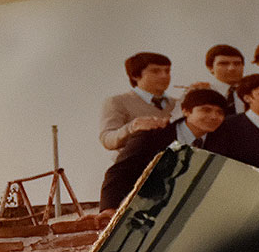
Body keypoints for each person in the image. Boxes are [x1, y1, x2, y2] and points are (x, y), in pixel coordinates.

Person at [97, 87, 227, 213]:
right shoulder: (151, 136)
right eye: (206, 110)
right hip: (142, 209)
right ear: (186, 111)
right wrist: (109, 209)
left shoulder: (222, 141)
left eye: (220, 112)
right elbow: (120, 172)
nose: (214, 116)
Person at [97, 51, 176, 153]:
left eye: (167, 71)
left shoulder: (179, 104)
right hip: (136, 162)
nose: (164, 76)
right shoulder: (117, 102)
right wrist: (132, 128)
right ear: (135, 76)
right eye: (155, 71)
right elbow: (107, 139)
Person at [182, 44, 249, 115]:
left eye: (237, 63)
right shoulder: (199, 93)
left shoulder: (252, 92)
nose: (232, 68)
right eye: (223, 64)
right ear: (210, 68)